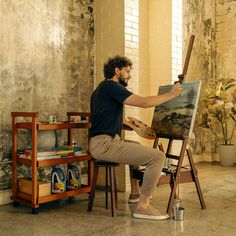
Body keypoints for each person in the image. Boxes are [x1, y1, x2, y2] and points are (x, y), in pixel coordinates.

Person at [89, 55, 182, 220]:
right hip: (104, 144)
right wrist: (171, 95)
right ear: (117, 71)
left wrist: (131, 125)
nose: (130, 75)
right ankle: (143, 206)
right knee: (158, 157)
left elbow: (104, 120)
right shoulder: (112, 86)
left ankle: (135, 193)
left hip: (103, 141)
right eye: (127, 71)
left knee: (135, 145)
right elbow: (144, 102)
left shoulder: (100, 90)